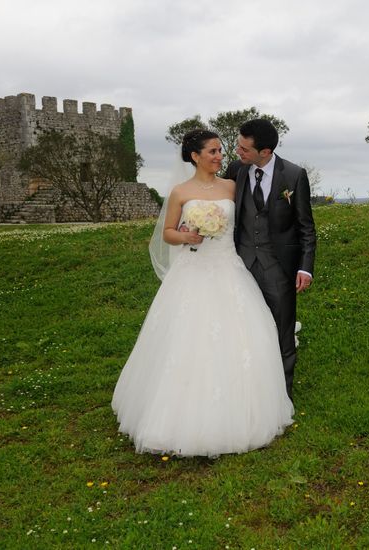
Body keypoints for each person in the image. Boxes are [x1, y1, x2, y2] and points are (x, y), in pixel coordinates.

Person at [111, 129, 294, 457]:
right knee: (186, 340)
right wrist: (185, 237)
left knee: (241, 336)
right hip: (193, 271)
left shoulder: (232, 186)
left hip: (229, 269)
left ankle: (244, 411)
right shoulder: (180, 192)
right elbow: (167, 233)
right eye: (212, 151)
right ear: (195, 156)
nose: (219, 156)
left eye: (220, 151)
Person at [225, 119, 316, 400]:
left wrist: (305, 267)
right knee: (242, 328)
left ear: (264, 152)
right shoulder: (236, 170)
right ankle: (246, 389)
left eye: (244, 148)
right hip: (240, 265)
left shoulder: (293, 175)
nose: (238, 151)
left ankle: (282, 397)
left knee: (283, 332)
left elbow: (306, 227)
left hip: (279, 267)